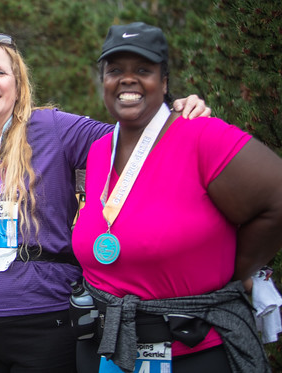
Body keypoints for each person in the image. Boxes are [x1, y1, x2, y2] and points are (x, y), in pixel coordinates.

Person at [0, 33, 210, 373]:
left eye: (0, 72)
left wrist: (171, 111)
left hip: (41, 322)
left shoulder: (51, 127)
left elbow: (134, 140)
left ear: (18, 85)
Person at [72, 22, 282, 373]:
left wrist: (235, 270)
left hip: (189, 350)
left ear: (165, 82)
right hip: (105, 347)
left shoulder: (201, 136)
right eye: (115, 71)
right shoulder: (99, 151)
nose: (127, 79)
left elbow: (276, 198)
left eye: (143, 70)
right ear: (104, 81)